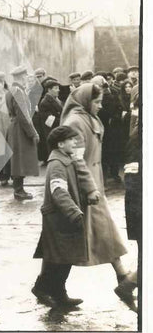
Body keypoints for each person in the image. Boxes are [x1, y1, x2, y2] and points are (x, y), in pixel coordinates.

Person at [61, 83, 130, 289]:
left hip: (92, 184)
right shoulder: (75, 122)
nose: (100, 106)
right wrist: (90, 187)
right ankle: (49, 285)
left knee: (95, 231)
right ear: (85, 101)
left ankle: (122, 276)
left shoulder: (89, 117)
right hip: (82, 186)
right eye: (97, 101)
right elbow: (77, 160)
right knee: (71, 236)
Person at [32, 126, 99, 306]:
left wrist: (85, 198)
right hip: (59, 219)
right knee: (57, 259)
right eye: (71, 139)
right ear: (60, 144)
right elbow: (59, 191)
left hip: (64, 218)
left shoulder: (65, 160)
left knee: (64, 258)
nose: (75, 142)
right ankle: (41, 288)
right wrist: (73, 211)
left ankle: (59, 292)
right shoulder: (57, 164)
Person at [114, 85, 140, 313]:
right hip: (140, 205)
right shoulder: (138, 138)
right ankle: (129, 285)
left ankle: (131, 285)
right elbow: (133, 179)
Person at [6, 65, 39, 200]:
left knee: (17, 159)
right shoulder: (18, 91)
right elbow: (24, 115)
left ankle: (19, 189)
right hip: (20, 128)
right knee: (19, 160)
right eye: (25, 76)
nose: (27, 78)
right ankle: (19, 191)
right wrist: (33, 133)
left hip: (15, 127)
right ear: (21, 77)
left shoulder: (11, 90)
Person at [37, 80, 63, 164]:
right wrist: (64, 120)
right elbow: (50, 121)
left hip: (58, 130)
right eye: (56, 88)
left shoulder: (56, 100)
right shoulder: (45, 102)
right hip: (52, 132)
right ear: (49, 90)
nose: (58, 90)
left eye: (58, 88)